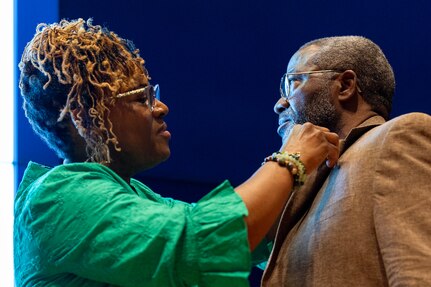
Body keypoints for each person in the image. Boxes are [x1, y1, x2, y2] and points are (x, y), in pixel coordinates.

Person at [13, 19, 339, 287]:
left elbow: (244, 238)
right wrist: (290, 157)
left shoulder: (131, 192)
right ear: (85, 116)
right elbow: (200, 242)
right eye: (141, 98)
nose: (161, 107)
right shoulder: (58, 197)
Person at [261, 36, 431, 286]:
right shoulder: (303, 182)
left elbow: (418, 275)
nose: (280, 103)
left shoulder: (398, 137)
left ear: (345, 85)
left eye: (293, 82)